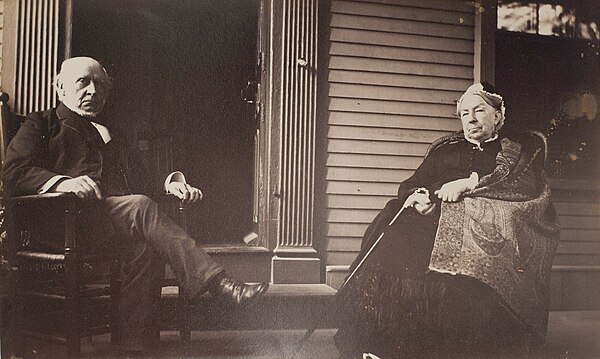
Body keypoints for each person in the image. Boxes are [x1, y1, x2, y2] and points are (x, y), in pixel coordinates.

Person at [2, 57, 269, 355]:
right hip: (63, 224)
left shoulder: (113, 133)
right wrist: (62, 182)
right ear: (59, 87)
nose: (93, 91)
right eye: (83, 82)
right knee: (141, 206)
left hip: (108, 224)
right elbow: (14, 172)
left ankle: (135, 348)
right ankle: (220, 285)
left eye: (100, 84)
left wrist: (170, 183)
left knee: (147, 247)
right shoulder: (41, 123)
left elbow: (142, 182)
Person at [333, 83, 560, 358]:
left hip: (476, 232)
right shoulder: (445, 151)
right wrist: (419, 197)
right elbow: (410, 184)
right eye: (465, 113)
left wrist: (470, 183)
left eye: (479, 110)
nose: (471, 119)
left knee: (445, 278)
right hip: (427, 221)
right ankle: (377, 344)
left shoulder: (514, 155)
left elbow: (522, 189)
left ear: (498, 116)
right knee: (393, 235)